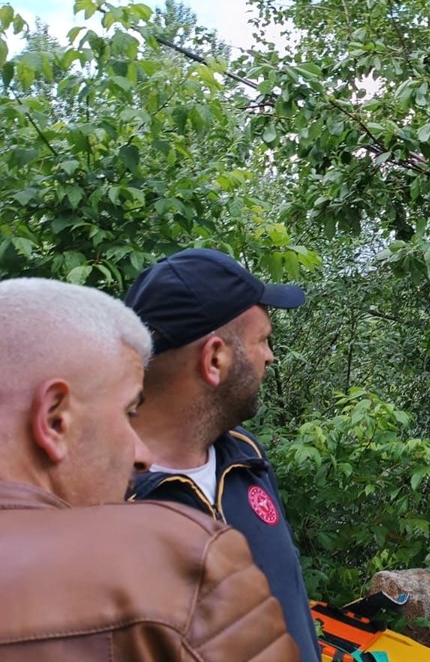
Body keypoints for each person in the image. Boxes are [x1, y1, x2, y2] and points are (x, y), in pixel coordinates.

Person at [0, 278, 296, 659]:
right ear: (55, 419)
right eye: (128, 412)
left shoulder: (248, 455)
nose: (138, 454)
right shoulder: (188, 556)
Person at [124, 248, 320, 662]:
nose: (270, 356)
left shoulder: (245, 456)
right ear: (215, 358)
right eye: (262, 340)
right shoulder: (106, 501)